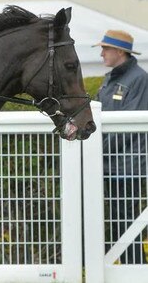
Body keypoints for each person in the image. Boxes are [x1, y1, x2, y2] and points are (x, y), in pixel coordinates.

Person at [94, 29, 148, 264]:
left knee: (126, 221)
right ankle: (125, 270)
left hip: (127, 167)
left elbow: (128, 124)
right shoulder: (110, 79)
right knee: (115, 223)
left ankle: (134, 271)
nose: (102, 54)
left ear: (119, 51)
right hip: (109, 164)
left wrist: (96, 148)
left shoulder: (139, 79)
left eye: (105, 49)